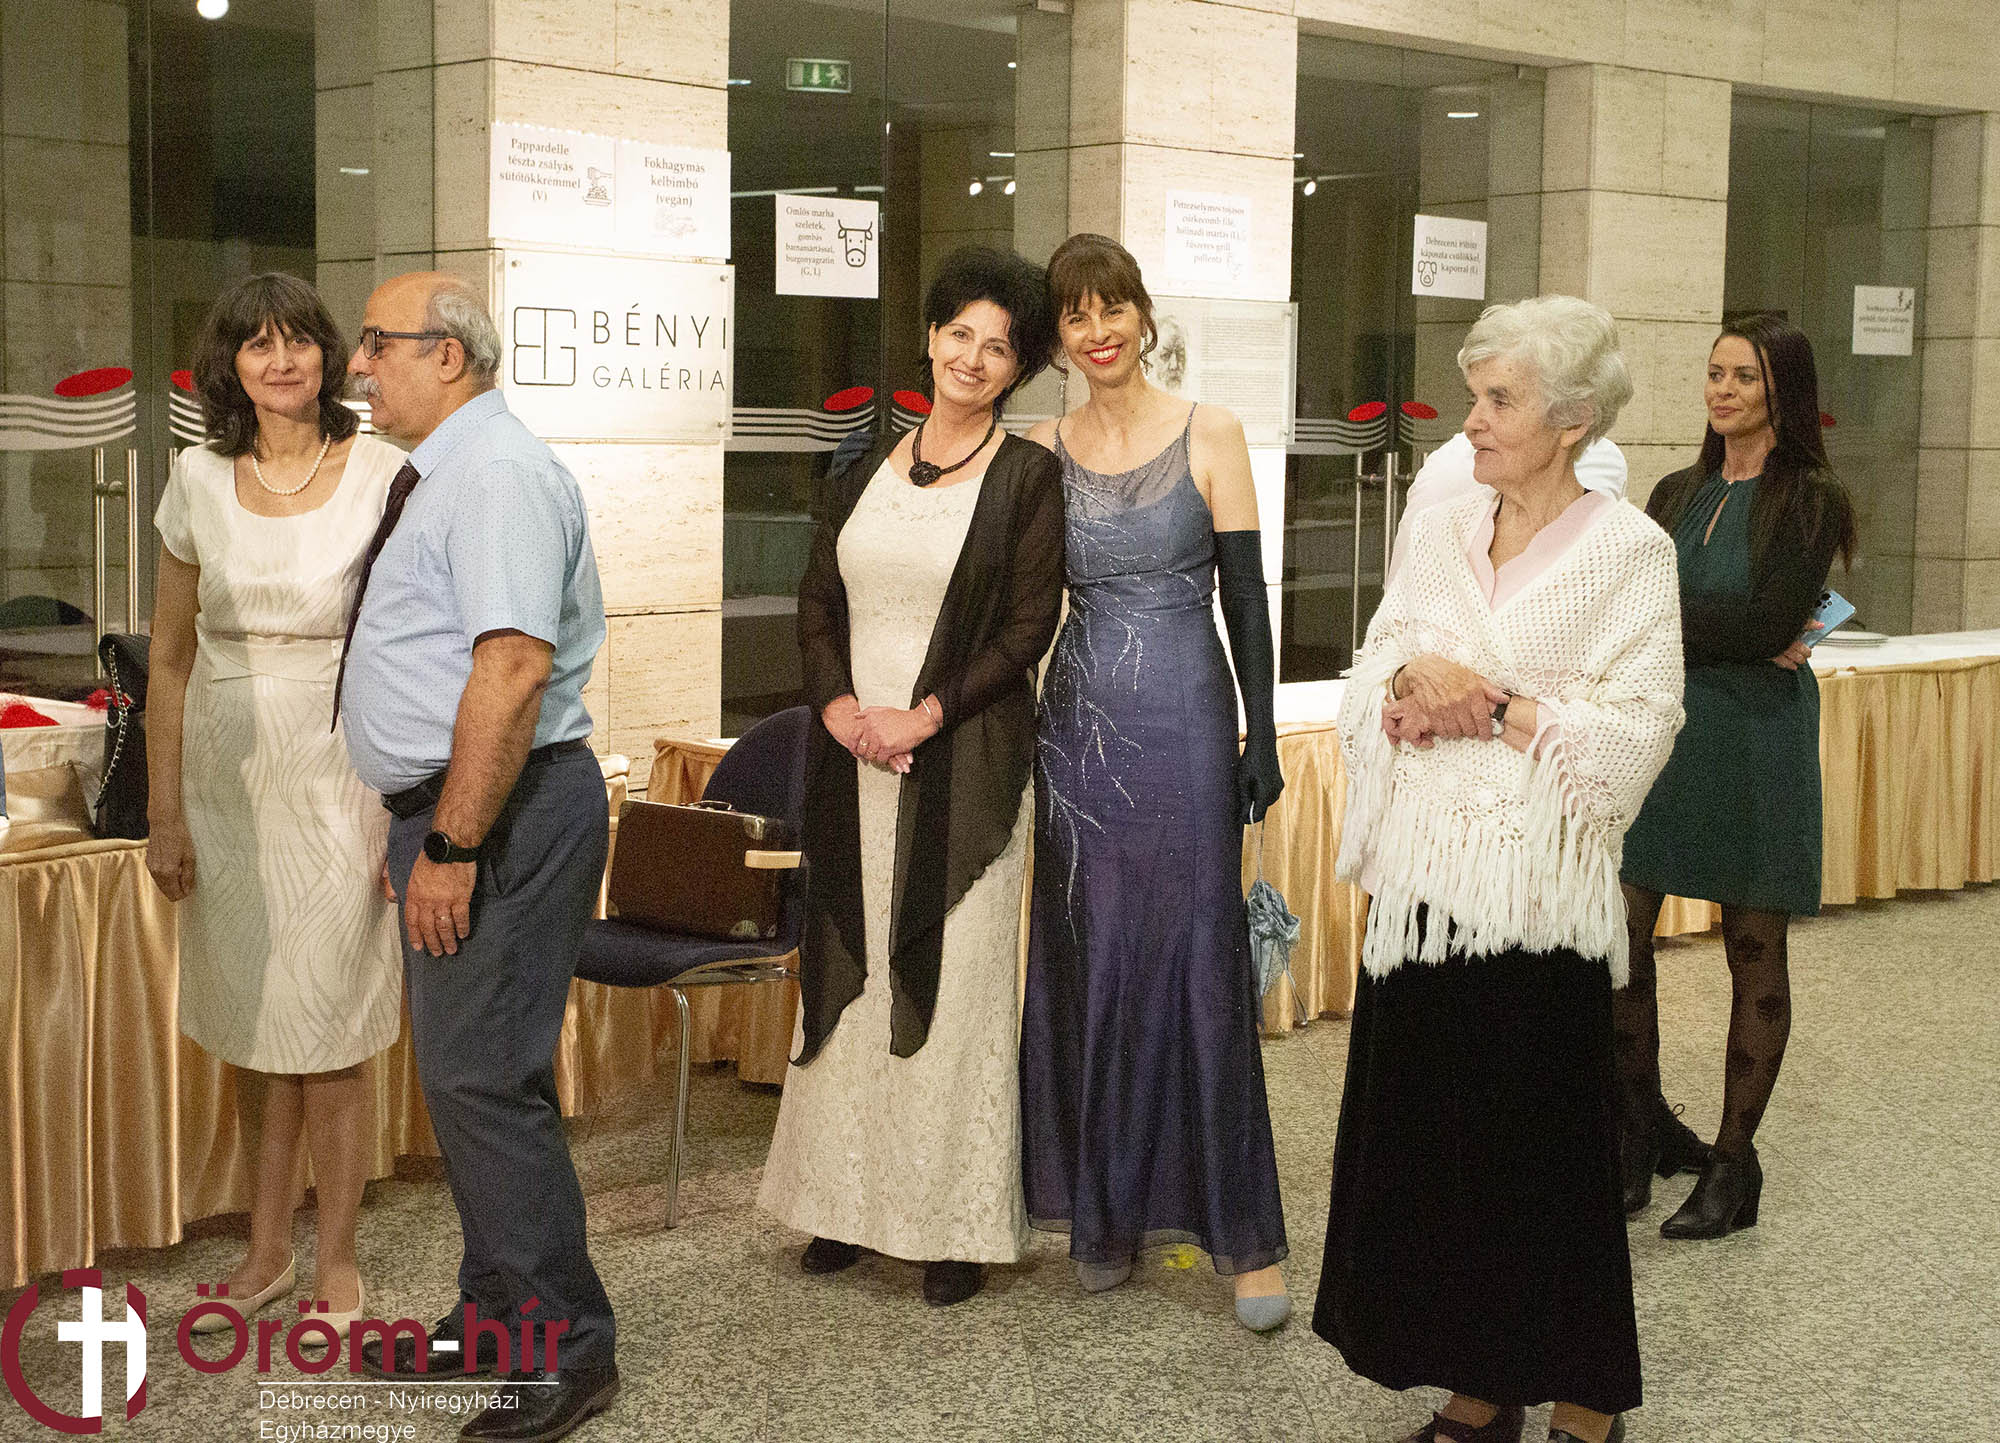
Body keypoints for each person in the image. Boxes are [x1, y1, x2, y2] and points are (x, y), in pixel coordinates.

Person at [1315, 295, 1684, 1443]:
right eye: (1473, 396)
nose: (1469, 419)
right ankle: (1477, 1387)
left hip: (1531, 902)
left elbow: (1638, 730)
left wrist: (1495, 707)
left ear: (1571, 421)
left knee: (1539, 1161)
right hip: (1424, 893)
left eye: (1497, 400)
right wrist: (1405, 680)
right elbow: (1378, 662)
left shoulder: (1630, 553)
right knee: (1436, 1154)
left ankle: (1583, 1399)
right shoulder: (1441, 530)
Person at [337, 272, 617, 1443]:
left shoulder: (495, 473)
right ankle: (494, 1313)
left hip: (502, 814)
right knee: (470, 1078)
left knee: (484, 1083)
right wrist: (417, 823)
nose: (358, 366)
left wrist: (451, 841)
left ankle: (567, 1346)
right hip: (460, 810)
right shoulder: (450, 469)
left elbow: (511, 669)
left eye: (376, 344)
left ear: (446, 356)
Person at [758, 247, 1064, 1307]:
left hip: (964, 760)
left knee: (955, 983)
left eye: (998, 346)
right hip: (852, 760)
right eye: (958, 334)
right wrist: (840, 708)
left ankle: (948, 1225)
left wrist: (923, 715)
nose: (972, 357)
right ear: (930, 338)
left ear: (1018, 367)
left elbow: (1027, 626)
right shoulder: (858, 467)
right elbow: (815, 601)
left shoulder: (1026, 478)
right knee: (851, 970)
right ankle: (841, 1206)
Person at [1018, 232, 1291, 1332]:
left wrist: (1261, 733)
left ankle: (1240, 1237)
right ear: (1057, 339)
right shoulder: (1039, 449)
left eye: (1112, 307)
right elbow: (1014, 605)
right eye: (1075, 315)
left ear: (1142, 313)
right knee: (1093, 960)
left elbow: (1249, 599)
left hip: (1185, 710)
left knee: (1197, 957)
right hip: (1079, 728)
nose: (1098, 331)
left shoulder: (1209, 430)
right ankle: (1106, 1213)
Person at [145, 272, 403, 1340]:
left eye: (298, 340)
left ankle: (336, 1257)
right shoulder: (196, 479)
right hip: (227, 778)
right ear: (231, 365)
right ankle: (263, 1251)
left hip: (343, 769)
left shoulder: (383, 472)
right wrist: (165, 812)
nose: (281, 359)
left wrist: (415, 806)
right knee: (254, 1024)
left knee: (331, 1027)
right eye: (258, 344)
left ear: (329, 355)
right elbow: (168, 658)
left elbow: (414, 643)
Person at [1617, 313, 1857, 1238]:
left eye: (1744, 376)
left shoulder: (1812, 498)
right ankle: (1637, 1130)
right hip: (1665, 734)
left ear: (1781, 391)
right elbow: (1638, 605)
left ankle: (1731, 1161)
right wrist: (1733, 630)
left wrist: (1690, 623)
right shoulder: (1676, 491)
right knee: (1618, 936)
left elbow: (1767, 624)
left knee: (1753, 949)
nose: (1723, 390)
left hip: (1757, 741)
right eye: (1716, 373)